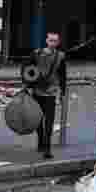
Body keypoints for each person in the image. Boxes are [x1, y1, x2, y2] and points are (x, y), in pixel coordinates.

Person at [27, 32, 67, 160]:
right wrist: (29, 85)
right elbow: (27, 69)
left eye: (55, 41)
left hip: (51, 92)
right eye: (51, 40)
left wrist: (63, 92)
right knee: (38, 119)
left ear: (58, 42)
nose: (52, 43)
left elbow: (62, 75)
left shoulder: (61, 56)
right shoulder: (36, 53)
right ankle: (40, 141)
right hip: (37, 91)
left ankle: (47, 148)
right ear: (46, 41)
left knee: (49, 121)